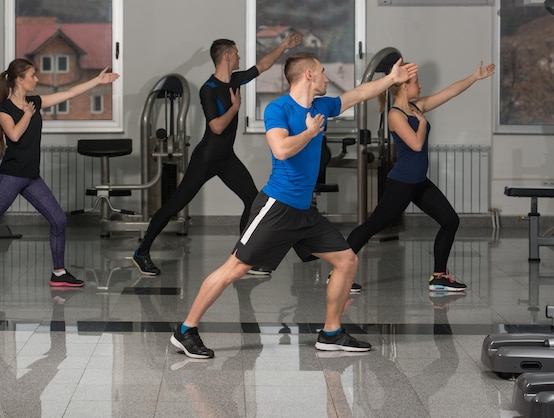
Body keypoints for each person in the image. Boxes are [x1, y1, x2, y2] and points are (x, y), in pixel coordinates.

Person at [169, 52, 418, 359]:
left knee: (346, 261)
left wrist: (391, 80)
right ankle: (185, 330)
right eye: (323, 72)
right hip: (277, 207)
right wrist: (311, 132)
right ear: (309, 75)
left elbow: (358, 95)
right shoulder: (279, 109)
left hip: (304, 212)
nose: (328, 78)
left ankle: (331, 333)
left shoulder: (321, 106)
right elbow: (281, 149)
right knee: (235, 269)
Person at [131, 34, 303, 277]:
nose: (240, 57)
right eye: (237, 52)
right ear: (227, 56)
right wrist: (235, 108)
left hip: (226, 158)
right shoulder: (208, 89)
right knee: (175, 205)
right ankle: (142, 252)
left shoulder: (235, 80)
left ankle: (243, 257)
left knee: (252, 200)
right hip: (207, 158)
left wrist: (284, 46)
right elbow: (217, 127)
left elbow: (262, 66)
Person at [0, 58, 120, 288]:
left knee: (58, 219)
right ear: (19, 79)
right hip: (10, 177)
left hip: (31, 177)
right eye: (32, 75)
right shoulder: (3, 109)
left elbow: (69, 93)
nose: (37, 79)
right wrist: (28, 115)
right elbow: (14, 135)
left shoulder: (34, 101)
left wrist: (98, 81)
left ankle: (59, 272)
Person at [346, 61, 495, 292]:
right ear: (404, 86)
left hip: (418, 182)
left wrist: (474, 77)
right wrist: (423, 123)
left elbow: (449, 92)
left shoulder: (416, 107)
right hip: (402, 182)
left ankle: (439, 277)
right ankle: (337, 272)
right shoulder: (395, 115)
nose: (421, 85)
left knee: (450, 221)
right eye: (416, 82)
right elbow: (416, 144)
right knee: (373, 226)